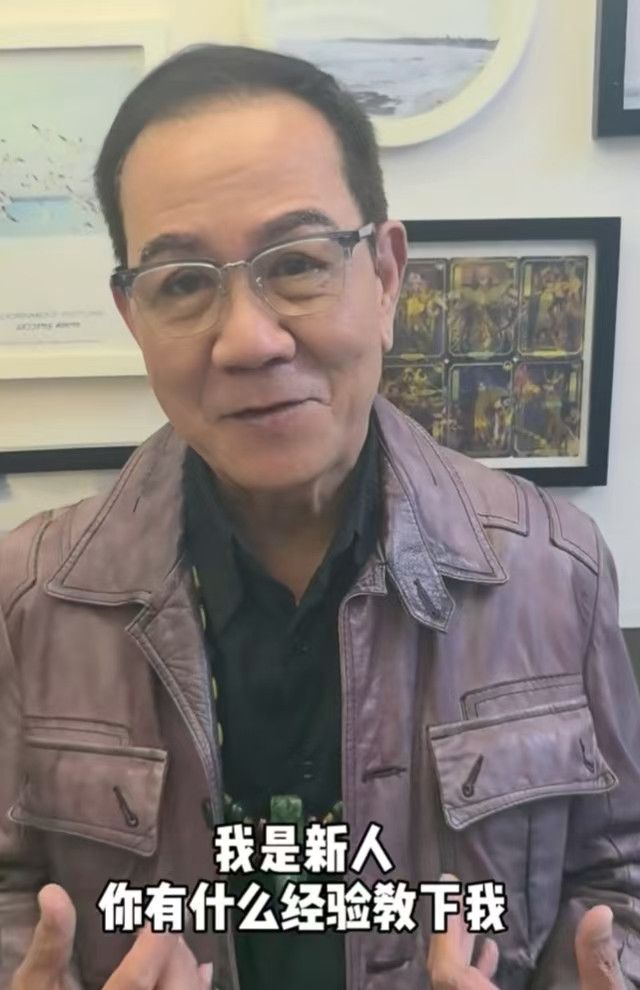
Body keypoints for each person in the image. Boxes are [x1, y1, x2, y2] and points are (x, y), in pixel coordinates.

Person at [0, 43, 638, 990]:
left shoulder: (555, 569)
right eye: (183, 283)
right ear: (133, 318)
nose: (249, 339)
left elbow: (615, 876)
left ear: (386, 275)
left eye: (297, 263)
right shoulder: (30, 597)